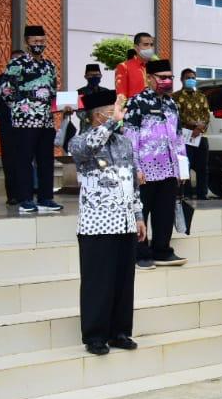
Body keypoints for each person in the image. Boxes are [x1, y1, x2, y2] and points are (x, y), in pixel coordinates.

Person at [68, 88, 145, 356]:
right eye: (111, 112)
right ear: (97, 116)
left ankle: (120, 332)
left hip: (124, 222)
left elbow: (133, 182)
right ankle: (95, 336)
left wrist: (138, 216)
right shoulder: (80, 142)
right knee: (98, 282)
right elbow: (90, 146)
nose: (117, 116)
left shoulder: (124, 143)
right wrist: (113, 122)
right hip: (97, 225)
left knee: (123, 281)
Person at [122, 59, 187, 268]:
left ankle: (162, 250)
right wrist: (135, 167)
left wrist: (182, 168)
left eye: (170, 77)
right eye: (162, 77)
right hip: (145, 169)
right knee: (143, 210)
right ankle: (140, 253)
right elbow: (130, 137)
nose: (167, 81)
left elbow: (178, 137)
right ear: (149, 78)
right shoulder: (136, 102)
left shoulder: (171, 104)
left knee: (165, 212)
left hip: (169, 168)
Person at [0, 24, 62, 214]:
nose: (39, 44)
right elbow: (5, 90)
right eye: (35, 41)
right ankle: (25, 199)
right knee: (24, 160)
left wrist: (61, 106)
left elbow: (53, 91)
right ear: (27, 42)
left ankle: (45, 198)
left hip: (46, 120)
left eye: (42, 41)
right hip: (24, 120)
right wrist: (19, 107)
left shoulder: (49, 65)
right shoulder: (17, 64)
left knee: (46, 160)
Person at [0, 47, 19, 206]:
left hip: (28, 126)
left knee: (27, 159)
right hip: (7, 126)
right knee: (9, 159)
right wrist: (2, 116)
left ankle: (29, 193)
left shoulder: (31, 80)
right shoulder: (0, 80)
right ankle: (12, 194)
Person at [174, 68, 211, 200]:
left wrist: (200, 128)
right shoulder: (175, 97)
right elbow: (176, 116)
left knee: (203, 167)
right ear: (182, 80)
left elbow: (206, 115)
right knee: (186, 165)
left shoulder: (201, 96)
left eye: (193, 78)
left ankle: (202, 194)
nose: (191, 80)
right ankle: (186, 193)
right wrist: (193, 125)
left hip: (201, 136)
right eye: (188, 78)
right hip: (184, 137)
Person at [115, 32, 155, 101]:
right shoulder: (124, 66)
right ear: (136, 47)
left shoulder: (156, 66)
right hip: (134, 106)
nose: (149, 48)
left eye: (151, 45)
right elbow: (121, 95)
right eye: (145, 44)